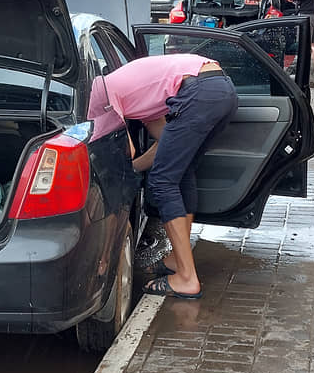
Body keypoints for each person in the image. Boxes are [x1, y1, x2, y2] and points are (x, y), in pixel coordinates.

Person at [99, 54, 238, 299]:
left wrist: (124, 169)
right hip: (221, 87)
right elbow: (165, 143)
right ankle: (177, 260)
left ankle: (186, 278)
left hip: (198, 90)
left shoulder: (100, 91)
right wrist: (135, 167)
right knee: (180, 171)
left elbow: (126, 150)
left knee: (162, 182)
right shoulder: (139, 97)